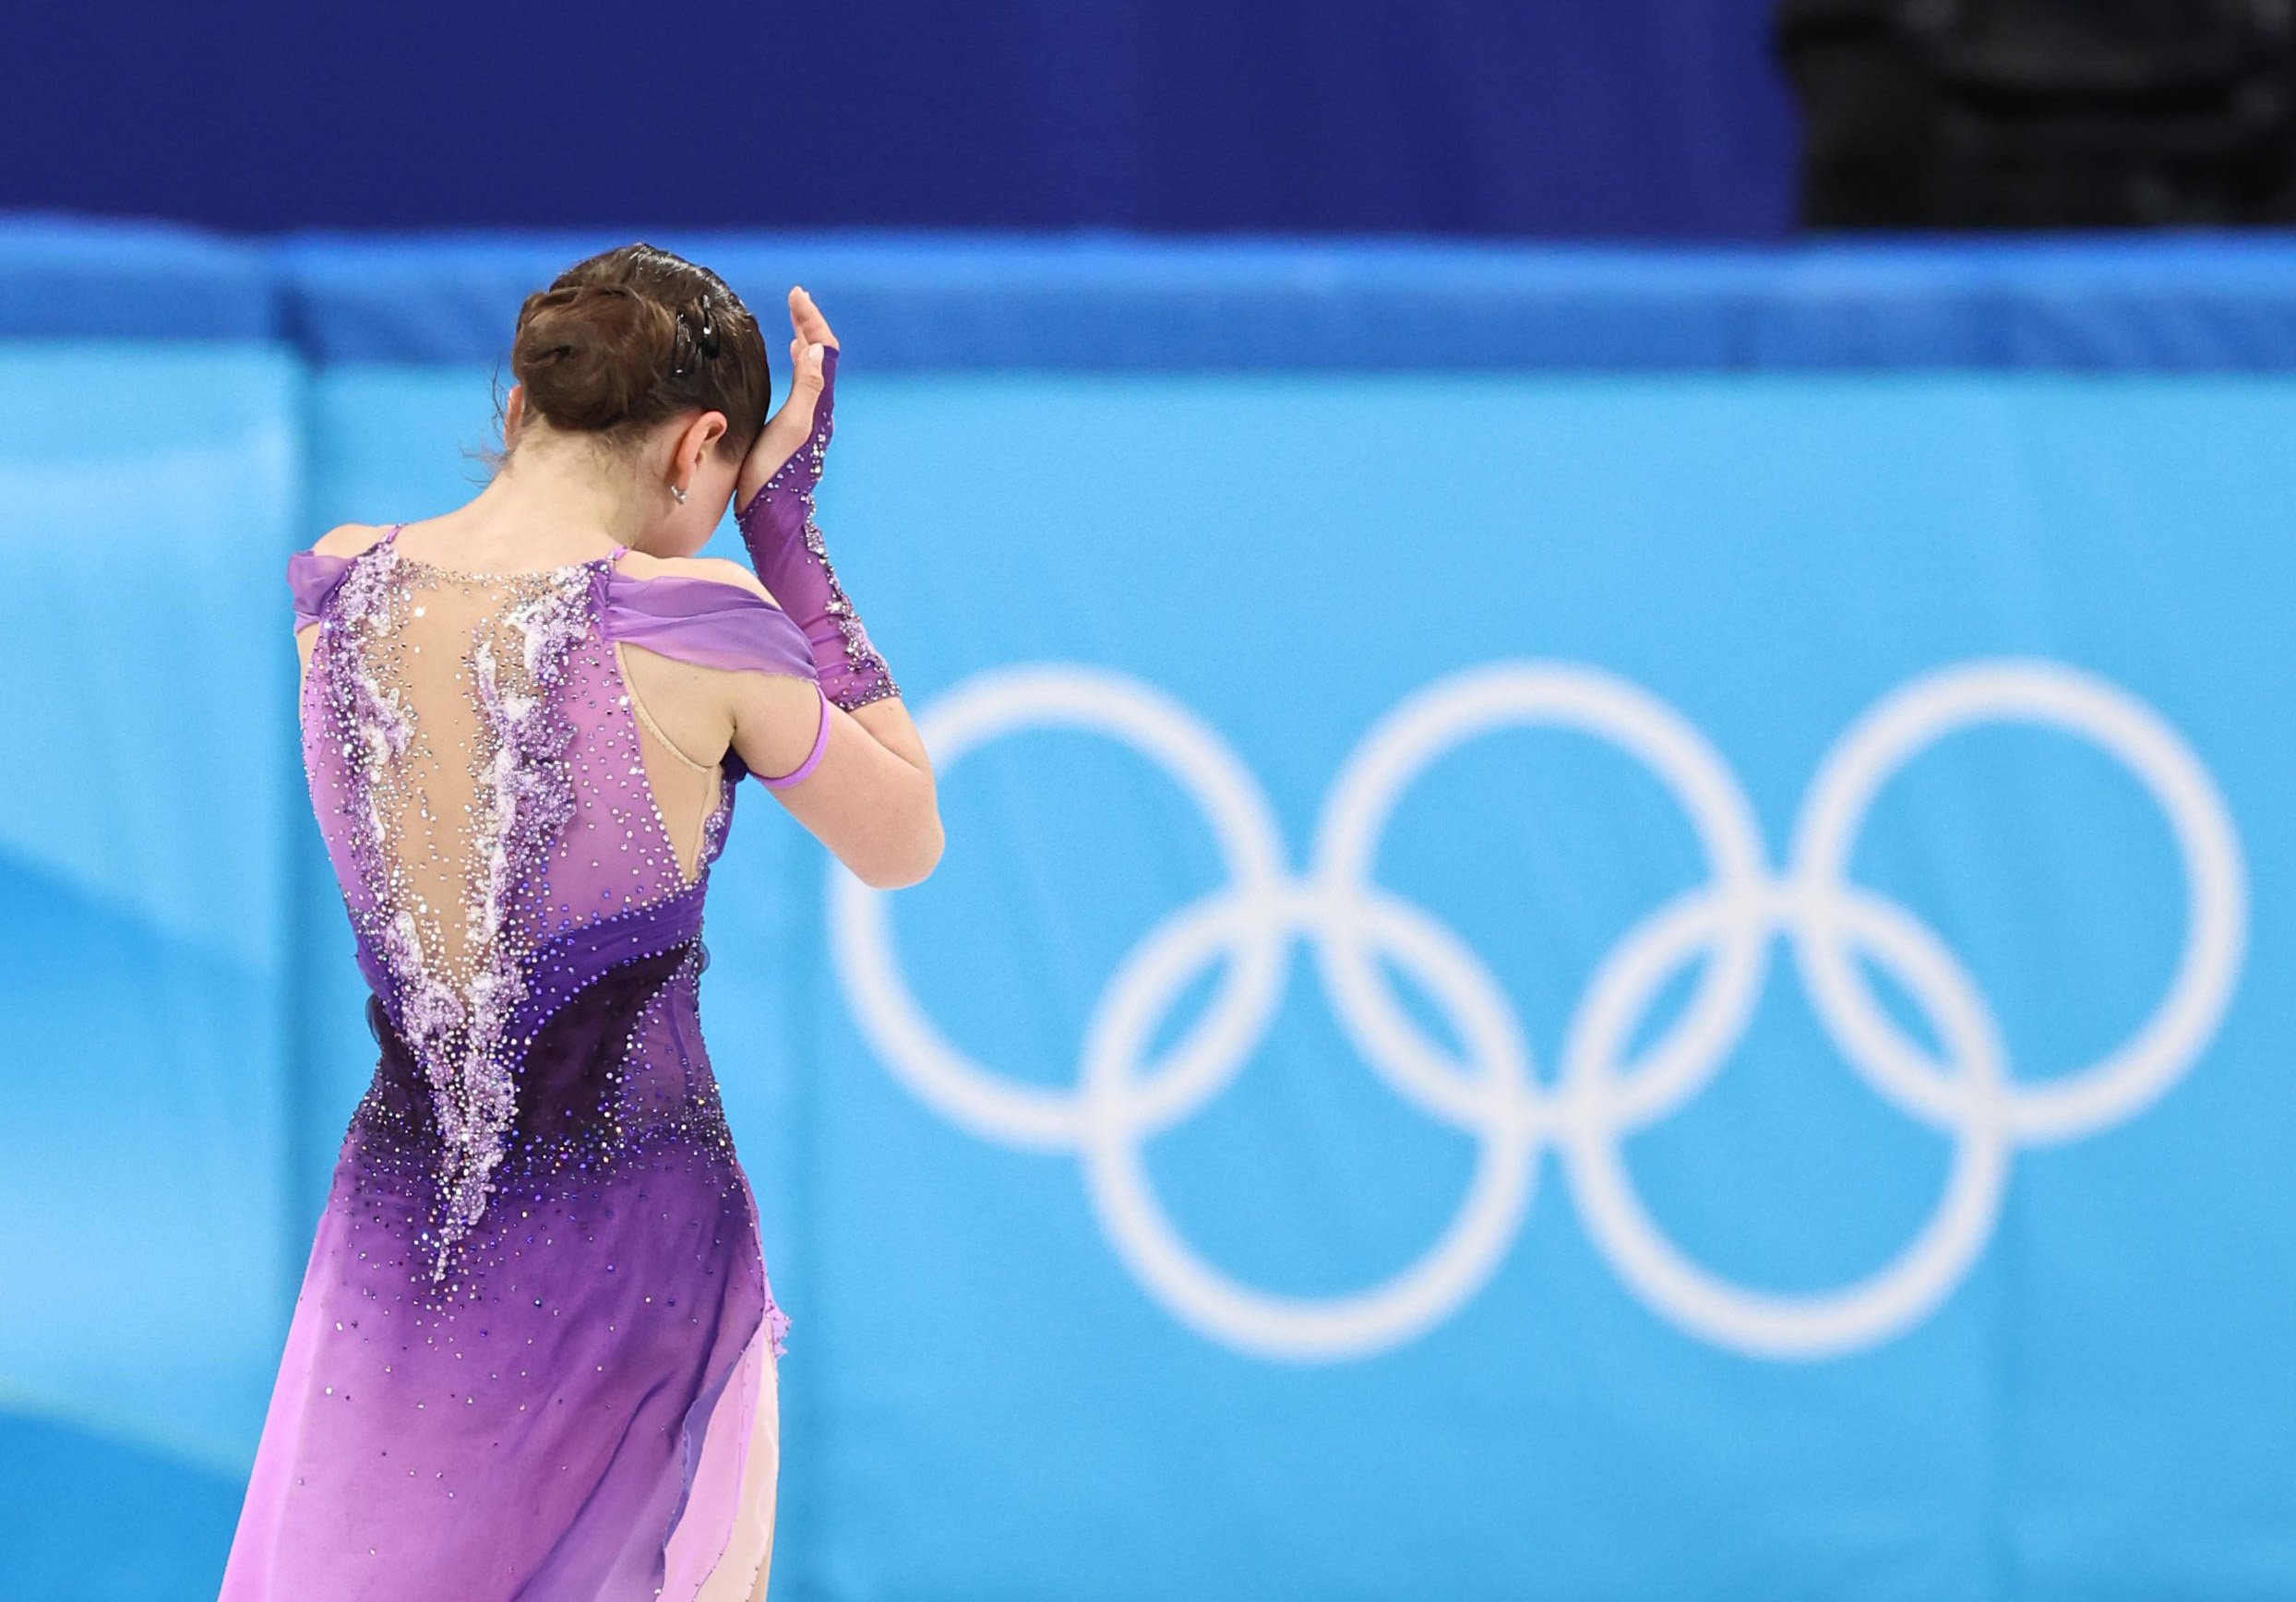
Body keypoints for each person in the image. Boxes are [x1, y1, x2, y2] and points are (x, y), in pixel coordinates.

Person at [218, 243, 941, 1601]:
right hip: (639, 1271)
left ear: (519, 406)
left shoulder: (339, 587)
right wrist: (785, 536)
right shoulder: (698, 618)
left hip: (393, 1265)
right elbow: (905, 838)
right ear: (702, 445)